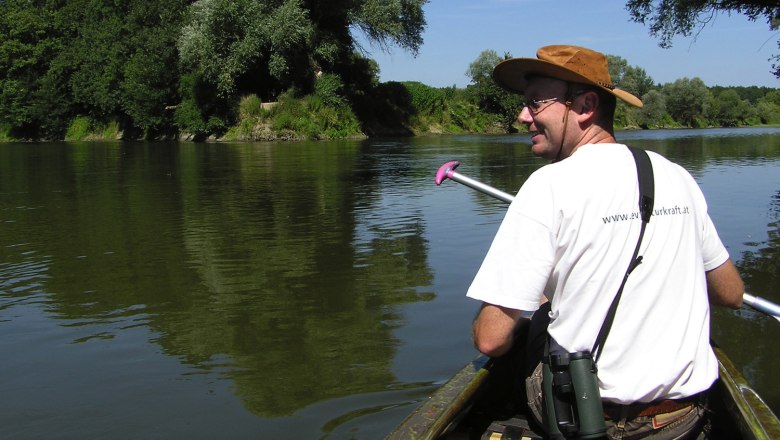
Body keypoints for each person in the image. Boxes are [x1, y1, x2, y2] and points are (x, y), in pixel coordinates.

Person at [466, 45, 745, 439]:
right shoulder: (676, 175)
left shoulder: (547, 185)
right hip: (683, 420)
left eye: (535, 103)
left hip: (595, 421)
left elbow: (490, 339)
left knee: (534, 321)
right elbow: (731, 294)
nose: (522, 116)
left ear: (585, 105)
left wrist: (527, 306)